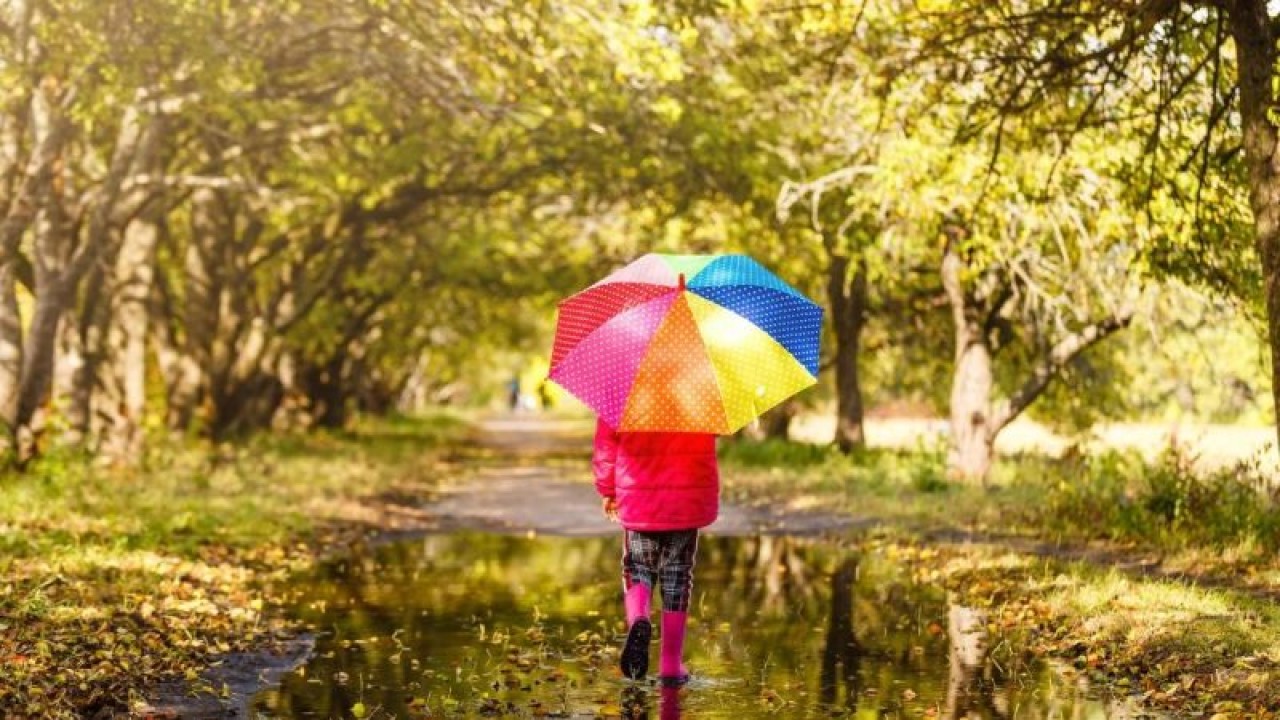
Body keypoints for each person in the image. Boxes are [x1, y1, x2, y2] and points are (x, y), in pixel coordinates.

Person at [593, 418, 719, 687]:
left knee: (638, 568)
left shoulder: (622, 386)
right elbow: (717, 429)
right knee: (678, 578)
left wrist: (607, 489)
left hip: (639, 497)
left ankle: (639, 616)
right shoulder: (702, 385)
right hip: (687, 498)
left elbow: (606, 443)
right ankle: (671, 664)